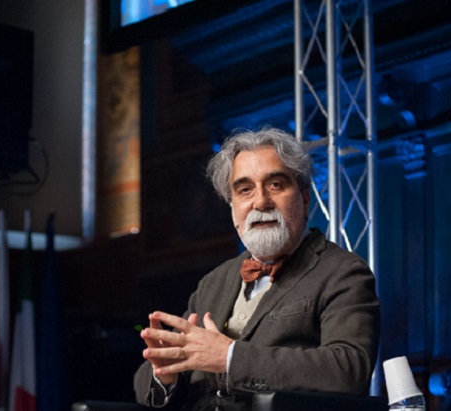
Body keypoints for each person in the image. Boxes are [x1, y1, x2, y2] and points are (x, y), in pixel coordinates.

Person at [134, 127, 380, 410]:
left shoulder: (343, 272)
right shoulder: (213, 282)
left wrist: (229, 357)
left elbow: (348, 370)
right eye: (245, 190)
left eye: (275, 185)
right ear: (232, 207)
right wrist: (165, 373)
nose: (260, 201)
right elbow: (144, 385)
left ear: (304, 198)